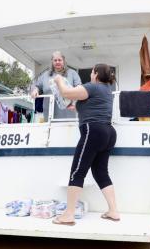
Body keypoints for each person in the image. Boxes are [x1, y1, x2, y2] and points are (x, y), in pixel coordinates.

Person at [52, 63, 119, 225]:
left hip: (93, 131)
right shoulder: (106, 91)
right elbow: (89, 105)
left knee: (77, 172)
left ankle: (68, 215)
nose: (90, 75)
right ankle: (113, 211)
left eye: (91, 72)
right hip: (108, 133)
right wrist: (76, 107)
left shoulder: (93, 87)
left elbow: (66, 91)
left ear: (95, 74)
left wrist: (59, 79)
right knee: (101, 173)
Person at [30, 51, 81, 119]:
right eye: (55, 60)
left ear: (64, 61)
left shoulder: (72, 73)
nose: (57, 62)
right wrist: (35, 90)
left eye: (59, 60)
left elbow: (79, 88)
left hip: (68, 115)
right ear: (52, 62)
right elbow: (37, 86)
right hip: (49, 115)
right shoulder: (45, 75)